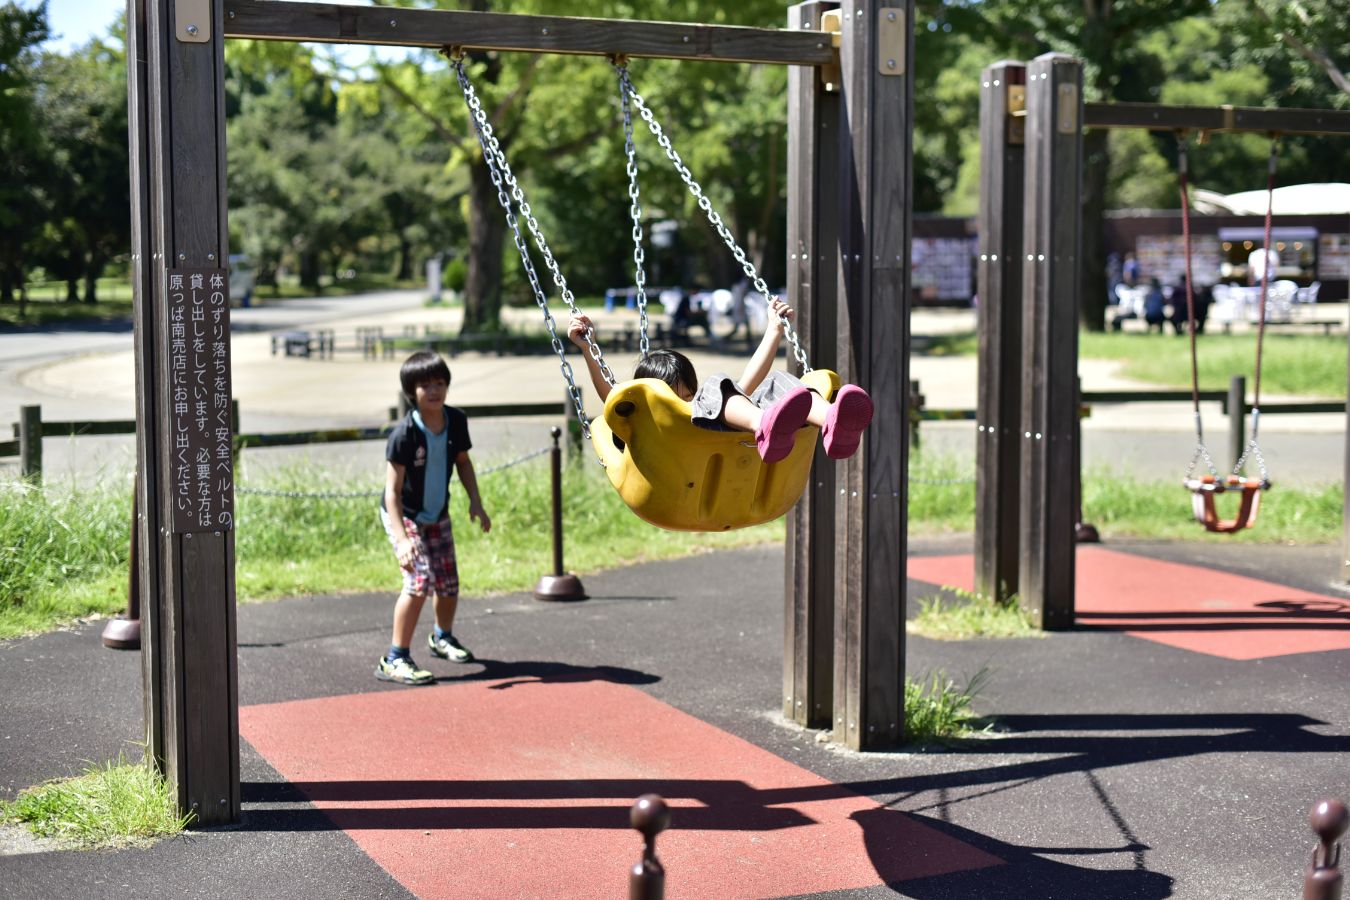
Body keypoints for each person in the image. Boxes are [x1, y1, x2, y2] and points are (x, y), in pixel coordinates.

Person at [568, 297, 875, 463]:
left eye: (688, 397)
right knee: (719, 385)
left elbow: (751, 379)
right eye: (675, 399)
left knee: (782, 382)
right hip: (675, 480)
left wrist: (773, 330)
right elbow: (613, 397)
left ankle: (832, 422)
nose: (686, 405)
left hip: (736, 450)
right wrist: (588, 348)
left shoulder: (712, 409)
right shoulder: (639, 428)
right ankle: (766, 426)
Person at [376, 350, 492, 686]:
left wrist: (476, 502)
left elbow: (463, 462)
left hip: (437, 513)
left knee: (449, 580)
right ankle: (395, 658)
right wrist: (402, 540)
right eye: (425, 385)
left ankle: (443, 637)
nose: (434, 390)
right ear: (411, 392)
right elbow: (392, 493)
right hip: (405, 515)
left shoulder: (455, 420)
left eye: (439, 383)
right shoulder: (403, 435)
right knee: (418, 581)